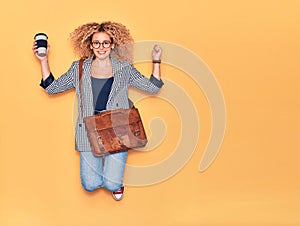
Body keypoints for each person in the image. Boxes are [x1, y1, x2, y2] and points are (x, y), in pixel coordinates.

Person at [32, 21, 164, 201]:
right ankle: (105, 177)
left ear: (112, 44)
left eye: (105, 43)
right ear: (90, 45)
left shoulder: (123, 68)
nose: (101, 47)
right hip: (89, 129)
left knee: (111, 184)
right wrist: (44, 60)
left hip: (118, 129)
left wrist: (156, 60)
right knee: (90, 184)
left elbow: (152, 88)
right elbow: (52, 88)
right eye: (96, 43)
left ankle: (116, 184)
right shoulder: (78, 68)